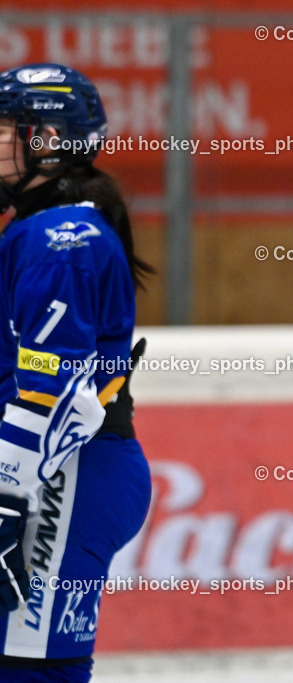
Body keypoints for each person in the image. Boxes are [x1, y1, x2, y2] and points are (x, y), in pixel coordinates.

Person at [0, 63, 152, 682]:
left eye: (4, 128)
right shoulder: (42, 229)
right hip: (53, 472)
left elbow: (51, 382)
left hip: (64, 476)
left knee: (32, 674)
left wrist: (8, 495)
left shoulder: (64, 236)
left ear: (48, 139)